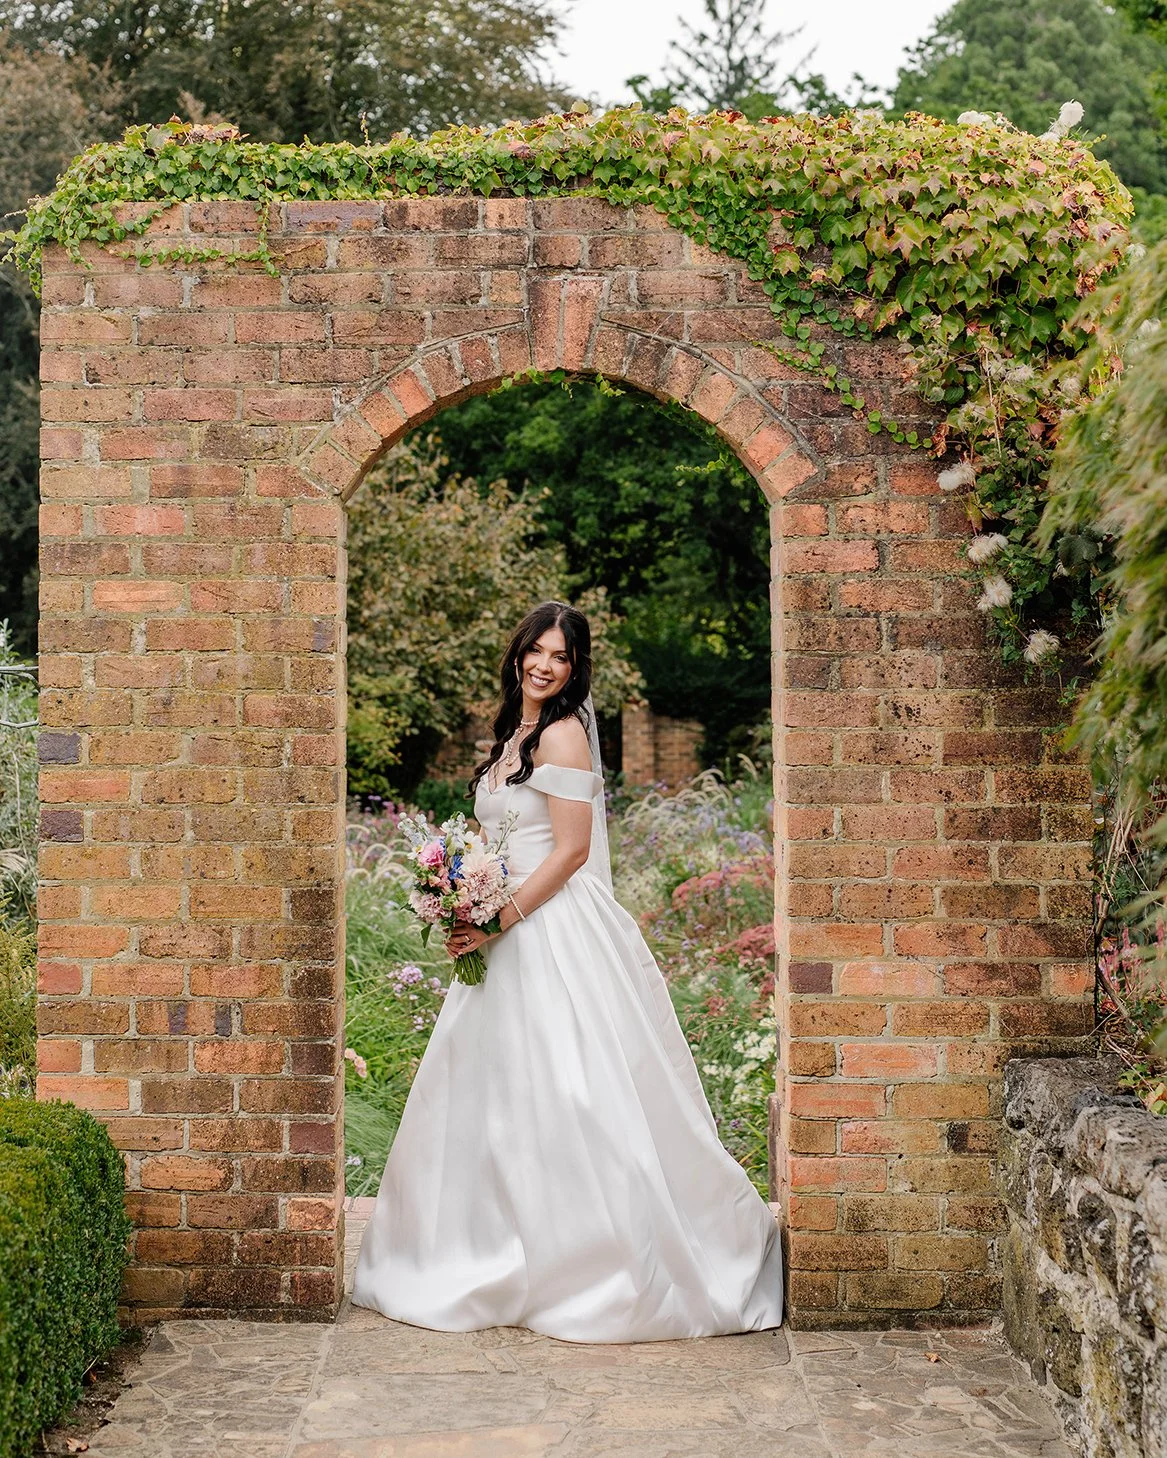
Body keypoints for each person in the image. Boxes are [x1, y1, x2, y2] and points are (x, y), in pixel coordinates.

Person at [351, 600, 783, 1342]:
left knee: (570, 1089)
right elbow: (498, 836)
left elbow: (572, 851)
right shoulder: (513, 735)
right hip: (500, 924)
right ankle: (493, 1248)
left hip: (547, 927)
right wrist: (460, 894)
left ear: (575, 670)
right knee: (494, 1096)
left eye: (561, 657)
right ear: (517, 653)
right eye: (537, 650)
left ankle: (588, 1265)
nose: (545, 665)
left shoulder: (561, 736)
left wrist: (499, 918)